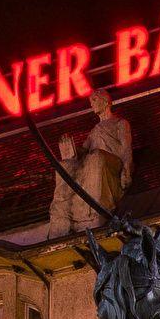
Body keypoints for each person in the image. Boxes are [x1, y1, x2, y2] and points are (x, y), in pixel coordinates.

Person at [47, 89, 133, 237]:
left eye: (94, 100)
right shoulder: (95, 130)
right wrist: (69, 148)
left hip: (112, 165)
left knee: (96, 157)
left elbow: (126, 149)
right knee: (64, 166)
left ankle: (95, 212)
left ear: (105, 102)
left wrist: (127, 171)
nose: (92, 105)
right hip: (95, 162)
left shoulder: (120, 123)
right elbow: (82, 151)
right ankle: (62, 216)